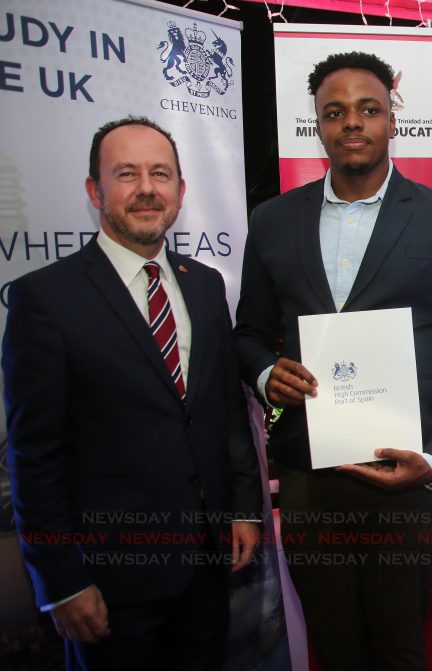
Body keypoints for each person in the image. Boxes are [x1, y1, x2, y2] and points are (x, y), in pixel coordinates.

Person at [233, 51, 432, 669]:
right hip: (307, 474)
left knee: (400, 644)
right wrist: (269, 373)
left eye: (368, 109)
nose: (352, 122)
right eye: (335, 111)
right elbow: (247, 334)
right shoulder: (272, 222)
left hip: (405, 472)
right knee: (335, 644)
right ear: (319, 125)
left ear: (390, 118)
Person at [2, 116, 263, 670]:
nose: (147, 188)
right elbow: (33, 456)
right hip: (109, 579)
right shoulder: (43, 300)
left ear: (181, 191)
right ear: (95, 190)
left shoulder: (205, 283)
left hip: (206, 565)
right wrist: (60, 581)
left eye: (161, 174)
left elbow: (223, 413)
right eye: (127, 173)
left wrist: (245, 510)